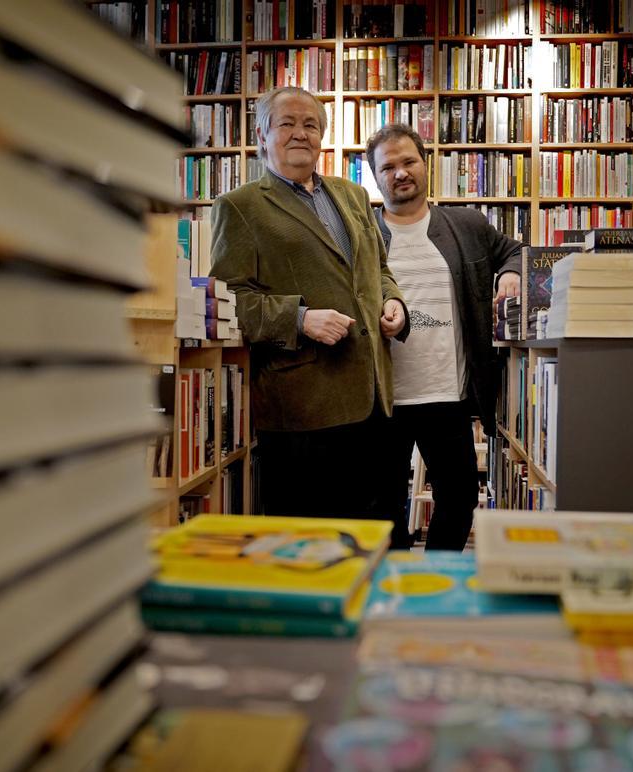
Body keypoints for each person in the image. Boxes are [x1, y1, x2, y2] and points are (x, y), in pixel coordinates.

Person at [209, 87, 410, 532]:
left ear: (322, 136)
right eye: (287, 123)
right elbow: (228, 299)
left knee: (377, 533)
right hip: (303, 409)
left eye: (310, 124)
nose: (300, 133)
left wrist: (393, 300)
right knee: (311, 542)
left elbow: (377, 267)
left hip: (375, 399)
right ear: (262, 134)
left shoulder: (354, 195)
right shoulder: (239, 208)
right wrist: (299, 319)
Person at [367, 123, 523, 550]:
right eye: (388, 167)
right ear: (375, 177)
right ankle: (395, 580)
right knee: (382, 506)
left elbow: (512, 250)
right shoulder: (362, 232)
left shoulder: (466, 224)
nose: (400, 173)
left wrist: (509, 273)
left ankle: (439, 573)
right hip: (382, 397)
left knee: (458, 499)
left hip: (447, 393)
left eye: (408, 162)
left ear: (425, 164)